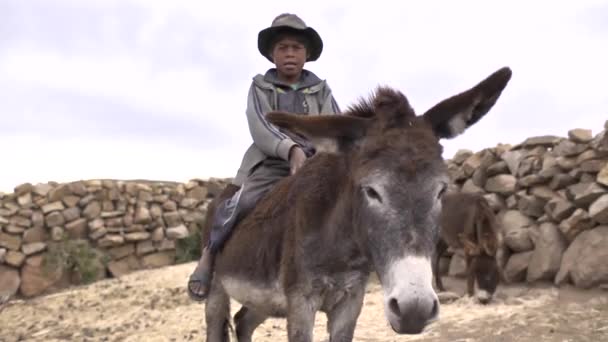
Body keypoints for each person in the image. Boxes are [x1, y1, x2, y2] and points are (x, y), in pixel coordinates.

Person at [187, 13, 342, 301]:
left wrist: (321, 155)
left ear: (307, 55)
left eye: (296, 48)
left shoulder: (321, 90)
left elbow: (333, 124)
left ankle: (355, 266)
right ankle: (209, 257)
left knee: (351, 200)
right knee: (239, 202)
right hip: (270, 162)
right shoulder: (260, 87)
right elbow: (260, 125)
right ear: (272, 54)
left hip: (316, 163)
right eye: (283, 48)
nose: (290, 54)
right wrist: (291, 150)